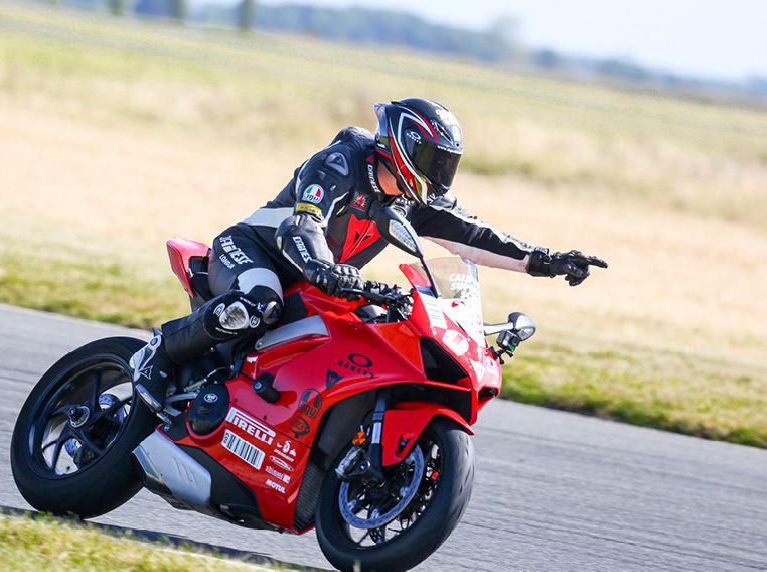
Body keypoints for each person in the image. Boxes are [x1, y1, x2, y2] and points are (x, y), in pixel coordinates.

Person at [130, 98, 607, 409]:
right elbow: (303, 223)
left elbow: (475, 237)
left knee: (372, 330)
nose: (440, 174)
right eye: (433, 161)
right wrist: (325, 270)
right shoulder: (342, 162)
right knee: (261, 302)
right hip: (255, 252)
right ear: (403, 146)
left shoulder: (412, 201)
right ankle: (160, 354)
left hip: (323, 281)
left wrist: (545, 260)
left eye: (448, 165)